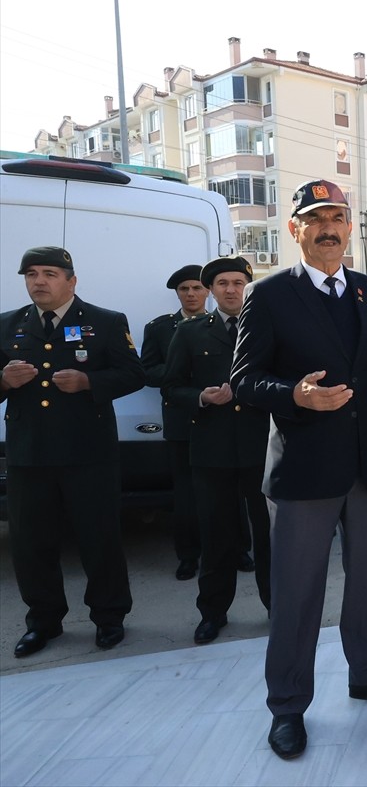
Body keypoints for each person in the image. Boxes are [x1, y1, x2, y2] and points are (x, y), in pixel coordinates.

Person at [231, 179, 367, 761]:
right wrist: (295, 394)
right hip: (305, 471)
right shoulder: (267, 297)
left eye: (337, 215)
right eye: (316, 218)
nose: (330, 227)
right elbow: (244, 379)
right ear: (296, 230)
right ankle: (287, 705)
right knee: (297, 595)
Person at [1, 246, 143, 657]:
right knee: (30, 543)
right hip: (30, 454)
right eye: (31, 274)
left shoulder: (105, 322)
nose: (39, 281)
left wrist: (89, 383)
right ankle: (43, 621)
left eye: (49, 273)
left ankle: (109, 616)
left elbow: (134, 374)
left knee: (99, 538)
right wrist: (5, 381)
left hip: (88, 452)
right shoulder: (7, 325)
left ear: (71, 280)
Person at [162, 257, 270, 646]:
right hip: (212, 451)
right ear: (211, 289)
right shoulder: (190, 333)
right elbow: (171, 387)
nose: (231, 289)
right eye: (222, 283)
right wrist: (201, 398)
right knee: (216, 538)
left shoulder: (268, 328)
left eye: (238, 281)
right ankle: (212, 613)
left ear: (248, 285)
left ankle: (278, 608)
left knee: (270, 536)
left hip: (262, 448)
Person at [141, 264, 208, 581]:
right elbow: (146, 370)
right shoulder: (159, 328)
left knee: (230, 491)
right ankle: (188, 556)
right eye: (185, 289)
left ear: (207, 291)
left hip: (220, 418)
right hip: (181, 418)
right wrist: (180, 377)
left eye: (197, 288)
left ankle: (237, 549)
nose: (191, 294)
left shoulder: (224, 325)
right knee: (185, 493)